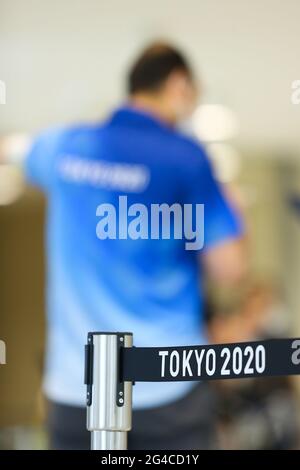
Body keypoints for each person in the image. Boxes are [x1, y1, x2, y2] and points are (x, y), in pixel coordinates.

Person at [2, 42, 246, 449]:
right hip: (169, 390)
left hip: (79, 390)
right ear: (178, 84)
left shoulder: (67, 145)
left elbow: (12, 148)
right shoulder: (186, 158)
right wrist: (234, 209)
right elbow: (230, 268)